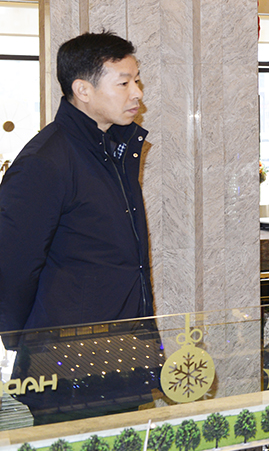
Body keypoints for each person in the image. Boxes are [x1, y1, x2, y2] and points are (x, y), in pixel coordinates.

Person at [0, 31, 159, 422]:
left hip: (120, 351)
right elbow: (13, 264)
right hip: (68, 363)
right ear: (83, 90)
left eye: (136, 80)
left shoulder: (113, 149)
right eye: (124, 83)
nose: (137, 93)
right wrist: (28, 340)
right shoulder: (46, 159)